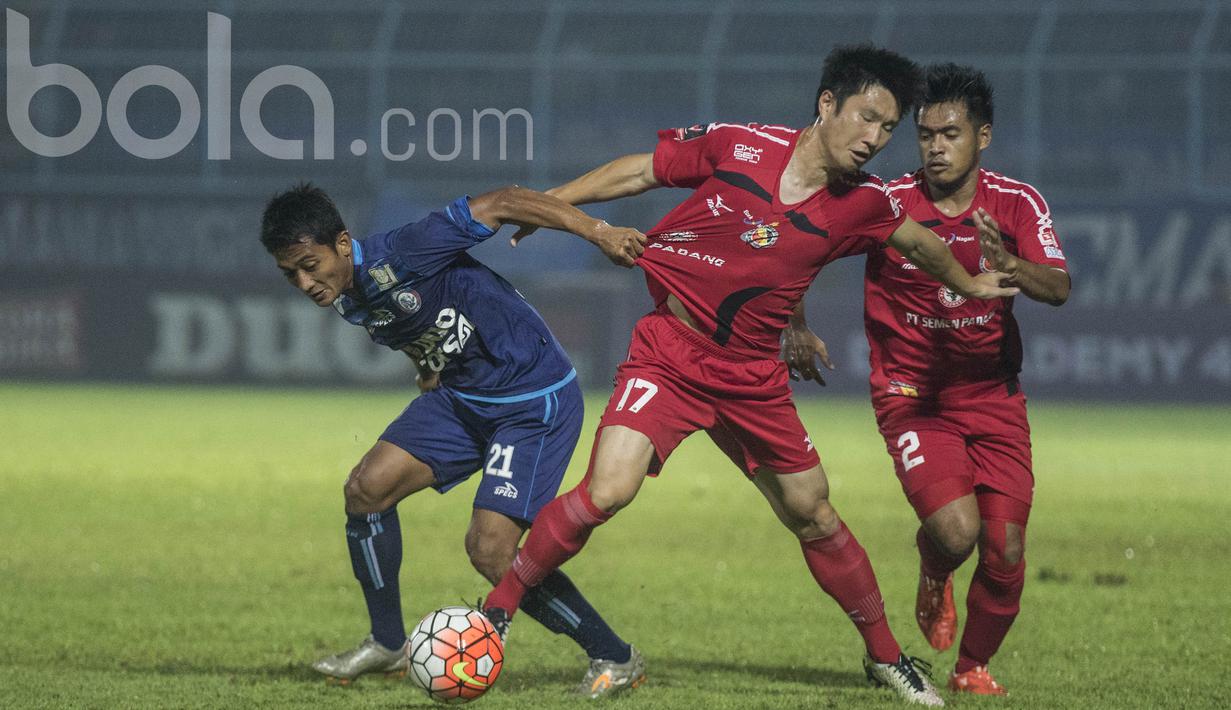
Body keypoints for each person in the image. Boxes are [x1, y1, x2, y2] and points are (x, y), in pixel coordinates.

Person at [484, 45, 1019, 707]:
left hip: (750, 379)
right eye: (865, 118)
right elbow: (640, 173)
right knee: (606, 490)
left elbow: (916, 242)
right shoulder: (740, 146)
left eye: (887, 129)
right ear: (826, 104)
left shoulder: (863, 202)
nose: (874, 139)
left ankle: (885, 659)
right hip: (671, 353)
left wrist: (967, 282)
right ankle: (493, 617)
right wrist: (549, 206)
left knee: (812, 513)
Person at [259, 183, 651, 697]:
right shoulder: (349, 294)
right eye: (292, 274)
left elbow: (505, 200)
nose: (306, 282)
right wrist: (426, 366)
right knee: (366, 489)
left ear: (341, 243)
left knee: (490, 551)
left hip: (531, 401)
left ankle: (614, 656)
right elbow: (413, 322)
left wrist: (599, 232)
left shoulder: (406, 249)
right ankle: (387, 644)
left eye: (311, 264)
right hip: (463, 397)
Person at [783, 63, 1070, 695]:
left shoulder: (1017, 204)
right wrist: (795, 324)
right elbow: (796, 247)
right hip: (911, 394)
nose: (936, 147)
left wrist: (1012, 265)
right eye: (926, 135)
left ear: (983, 137)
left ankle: (971, 669)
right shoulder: (885, 203)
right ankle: (935, 568)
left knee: (1007, 549)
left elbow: (1060, 288)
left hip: (993, 394)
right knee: (956, 532)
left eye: (951, 134)